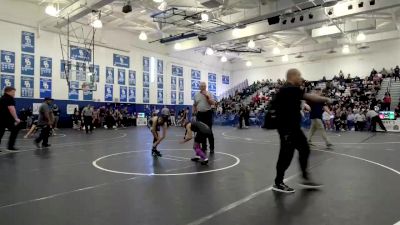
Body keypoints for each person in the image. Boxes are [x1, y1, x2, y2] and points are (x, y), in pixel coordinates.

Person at [272, 69, 332, 193]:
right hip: (287, 129)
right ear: (292, 77)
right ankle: (278, 182)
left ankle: (304, 177)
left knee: (304, 148)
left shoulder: (290, 90)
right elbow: (310, 97)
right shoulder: (289, 89)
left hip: (293, 128)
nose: (301, 78)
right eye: (299, 75)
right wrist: (326, 99)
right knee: (286, 155)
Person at [193, 82, 216, 154]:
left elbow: (213, 103)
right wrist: (194, 112)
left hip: (207, 114)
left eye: (204, 86)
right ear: (199, 87)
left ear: (206, 87)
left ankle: (211, 148)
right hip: (199, 114)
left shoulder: (209, 93)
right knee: (201, 132)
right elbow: (194, 104)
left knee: (209, 131)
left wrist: (207, 97)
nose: (203, 87)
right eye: (201, 86)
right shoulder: (196, 95)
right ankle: (204, 147)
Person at [0, 87, 21, 151]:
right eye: (13, 92)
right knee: (15, 129)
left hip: (1, 119)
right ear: (8, 91)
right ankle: (10, 146)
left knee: (0, 133)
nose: (14, 93)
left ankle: (10, 146)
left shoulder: (2, 98)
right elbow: (11, 108)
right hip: (7, 119)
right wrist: (16, 118)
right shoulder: (9, 98)